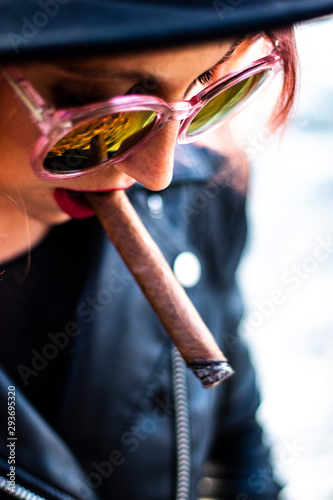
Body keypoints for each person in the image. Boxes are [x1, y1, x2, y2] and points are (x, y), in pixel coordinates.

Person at [0, 2, 332, 499]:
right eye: (101, 113)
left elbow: (236, 443)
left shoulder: (193, 200)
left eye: (209, 88)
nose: (159, 172)